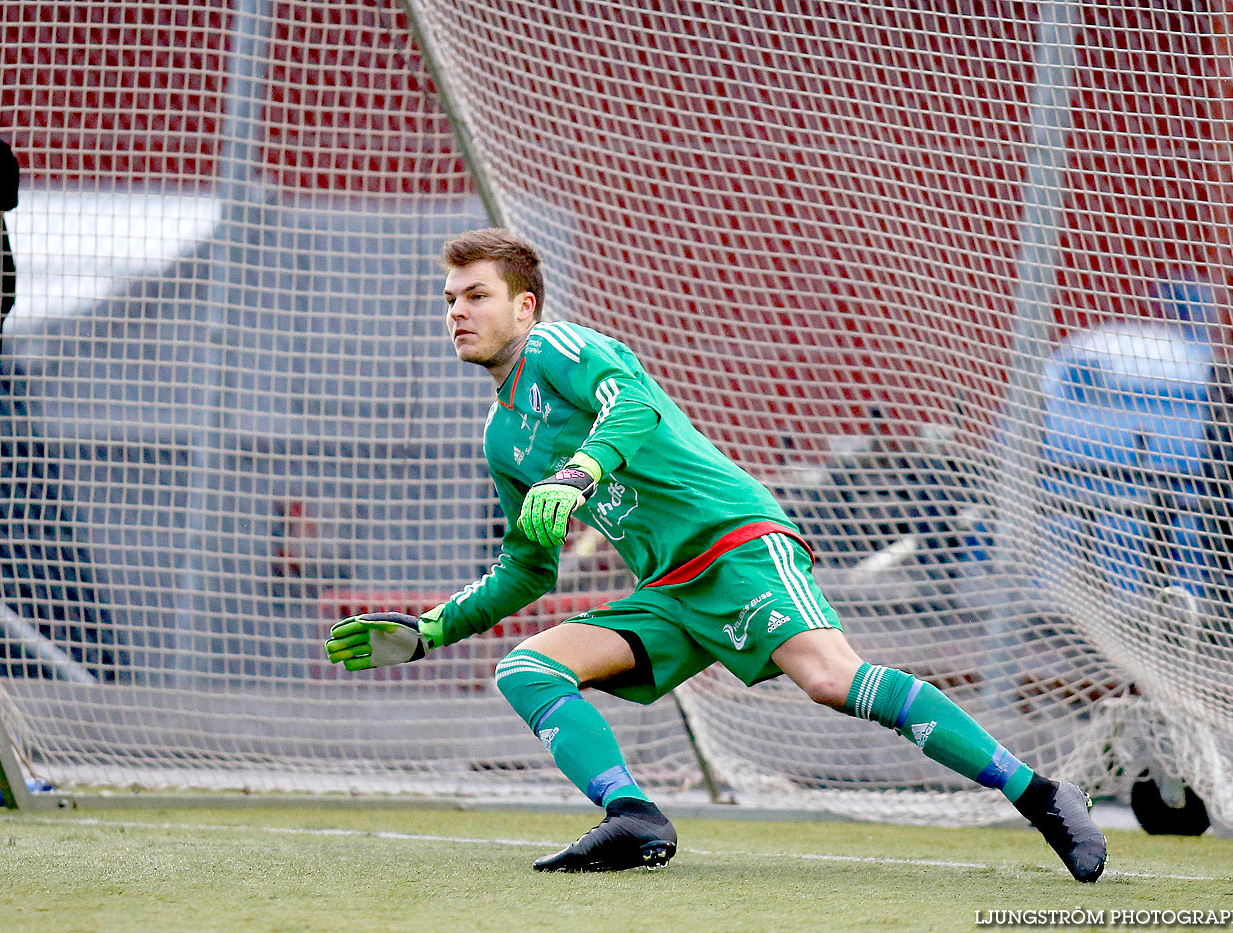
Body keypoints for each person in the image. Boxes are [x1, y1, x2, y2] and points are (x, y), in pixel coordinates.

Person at [325, 228, 1107, 881]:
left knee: (830, 680)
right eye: (451, 300)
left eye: (476, 295)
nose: (458, 312)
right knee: (528, 667)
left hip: (735, 542)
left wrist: (579, 471)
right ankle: (632, 815)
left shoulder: (559, 346)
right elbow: (528, 569)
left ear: (523, 306)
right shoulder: (502, 438)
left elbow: (629, 400)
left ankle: (1041, 795)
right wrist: (430, 629)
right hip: (669, 589)